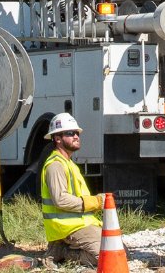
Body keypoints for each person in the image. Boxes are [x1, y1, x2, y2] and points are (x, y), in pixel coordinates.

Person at [40, 112, 105, 267]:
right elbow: (60, 199)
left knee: (118, 251)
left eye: (77, 133)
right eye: (70, 133)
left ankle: (62, 248)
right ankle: (62, 252)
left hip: (80, 223)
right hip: (67, 227)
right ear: (57, 138)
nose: (76, 136)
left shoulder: (69, 164)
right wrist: (94, 202)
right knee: (104, 257)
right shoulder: (55, 165)